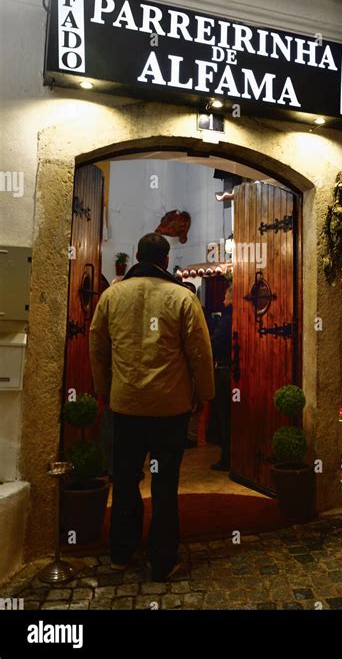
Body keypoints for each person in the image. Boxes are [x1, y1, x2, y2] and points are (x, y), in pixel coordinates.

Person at [89, 233, 214, 581]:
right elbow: (200, 353)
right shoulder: (182, 298)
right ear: (165, 258)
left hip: (126, 407)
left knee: (126, 481)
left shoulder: (111, 296)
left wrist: (104, 390)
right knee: (164, 485)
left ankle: (120, 554)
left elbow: (96, 347)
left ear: (136, 256)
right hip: (169, 410)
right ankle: (162, 560)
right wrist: (204, 395)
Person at [210, 283, 233, 471]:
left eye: (226, 297)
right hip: (232, 370)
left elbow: (214, 344)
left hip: (225, 371)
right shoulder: (237, 315)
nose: (223, 301)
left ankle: (227, 458)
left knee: (225, 418)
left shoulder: (227, 319)